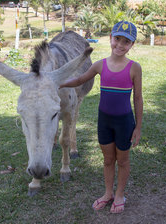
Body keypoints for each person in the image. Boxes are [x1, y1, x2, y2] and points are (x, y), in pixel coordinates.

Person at [59, 21, 143, 214]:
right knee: (107, 160)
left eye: (126, 42)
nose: (120, 45)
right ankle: (108, 193)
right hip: (104, 122)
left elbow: (138, 98)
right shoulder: (99, 65)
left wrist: (138, 127)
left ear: (132, 45)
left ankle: (120, 194)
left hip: (124, 123)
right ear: (110, 39)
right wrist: (60, 83)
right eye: (117, 39)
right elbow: (80, 79)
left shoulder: (134, 68)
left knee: (122, 161)